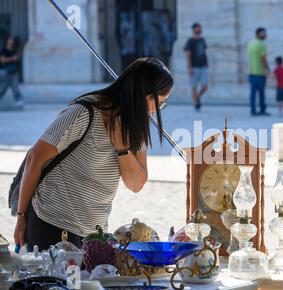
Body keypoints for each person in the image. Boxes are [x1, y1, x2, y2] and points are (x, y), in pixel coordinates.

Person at [13, 57, 174, 250]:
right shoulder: (84, 112)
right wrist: (21, 217)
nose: (157, 110)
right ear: (143, 95)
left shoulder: (137, 125)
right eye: (160, 102)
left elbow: (136, 184)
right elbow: (34, 158)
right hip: (52, 220)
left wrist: (121, 149)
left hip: (93, 232)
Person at [184, 23, 208, 111]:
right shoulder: (190, 41)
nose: (199, 30)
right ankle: (196, 103)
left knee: (205, 87)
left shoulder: (202, 40)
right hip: (194, 67)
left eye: (200, 28)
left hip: (203, 66)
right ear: (194, 29)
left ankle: (197, 97)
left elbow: (204, 52)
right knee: (194, 86)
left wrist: (206, 62)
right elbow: (187, 54)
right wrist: (189, 67)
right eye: (198, 28)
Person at [247, 27, 270, 116]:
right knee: (261, 93)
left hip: (251, 72)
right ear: (258, 34)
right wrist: (267, 68)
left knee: (252, 93)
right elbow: (263, 58)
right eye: (263, 33)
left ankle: (253, 110)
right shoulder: (261, 44)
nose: (265, 35)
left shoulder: (250, 44)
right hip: (260, 73)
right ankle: (262, 109)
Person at [0, 36, 23, 109]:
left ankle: (19, 102)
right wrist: (12, 58)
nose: (12, 41)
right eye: (10, 39)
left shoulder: (14, 50)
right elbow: (2, 60)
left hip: (14, 72)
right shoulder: (4, 50)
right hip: (6, 72)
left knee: (15, 87)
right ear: (7, 41)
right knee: (2, 88)